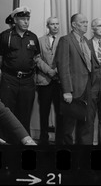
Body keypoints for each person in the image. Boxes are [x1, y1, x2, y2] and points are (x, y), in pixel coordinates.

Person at [0, 6, 40, 136]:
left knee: (25, 114)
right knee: (6, 113)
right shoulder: (5, 36)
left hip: (27, 82)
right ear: (15, 20)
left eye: (28, 19)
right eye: (23, 19)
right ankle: (4, 143)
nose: (26, 22)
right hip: (9, 80)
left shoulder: (33, 37)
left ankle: (23, 143)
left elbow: (36, 58)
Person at [55, 13, 92, 145]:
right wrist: (66, 90)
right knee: (68, 126)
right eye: (82, 22)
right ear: (74, 25)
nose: (86, 24)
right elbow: (63, 66)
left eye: (87, 22)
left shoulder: (86, 41)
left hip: (86, 87)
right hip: (72, 88)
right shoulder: (66, 40)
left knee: (84, 123)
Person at [34, 17, 63, 145]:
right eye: (52, 24)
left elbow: (66, 58)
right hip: (44, 81)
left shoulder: (64, 40)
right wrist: (48, 71)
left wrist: (56, 70)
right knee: (44, 111)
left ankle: (60, 139)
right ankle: (43, 138)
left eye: (57, 24)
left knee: (60, 111)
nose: (55, 26)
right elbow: (36, 58)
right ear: (48, 26)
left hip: (59, 81)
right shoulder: (39, 41)